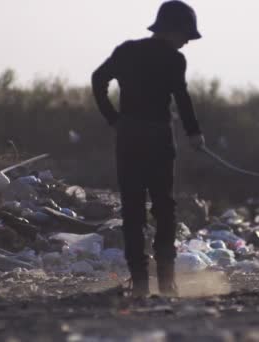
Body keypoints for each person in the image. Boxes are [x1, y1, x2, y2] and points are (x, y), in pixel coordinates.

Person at [91, 0, 205, 297]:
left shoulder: (126, 50)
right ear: (173, 30)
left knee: (132, 209)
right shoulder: (174, 60)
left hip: (128, 137)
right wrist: (194, 133)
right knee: (164, 208)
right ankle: (166, 282)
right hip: (158, 138)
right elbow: (182, 97)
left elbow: (97, 79)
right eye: (185, 35)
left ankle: (141, 282)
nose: (186, 42)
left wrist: (113, 119)